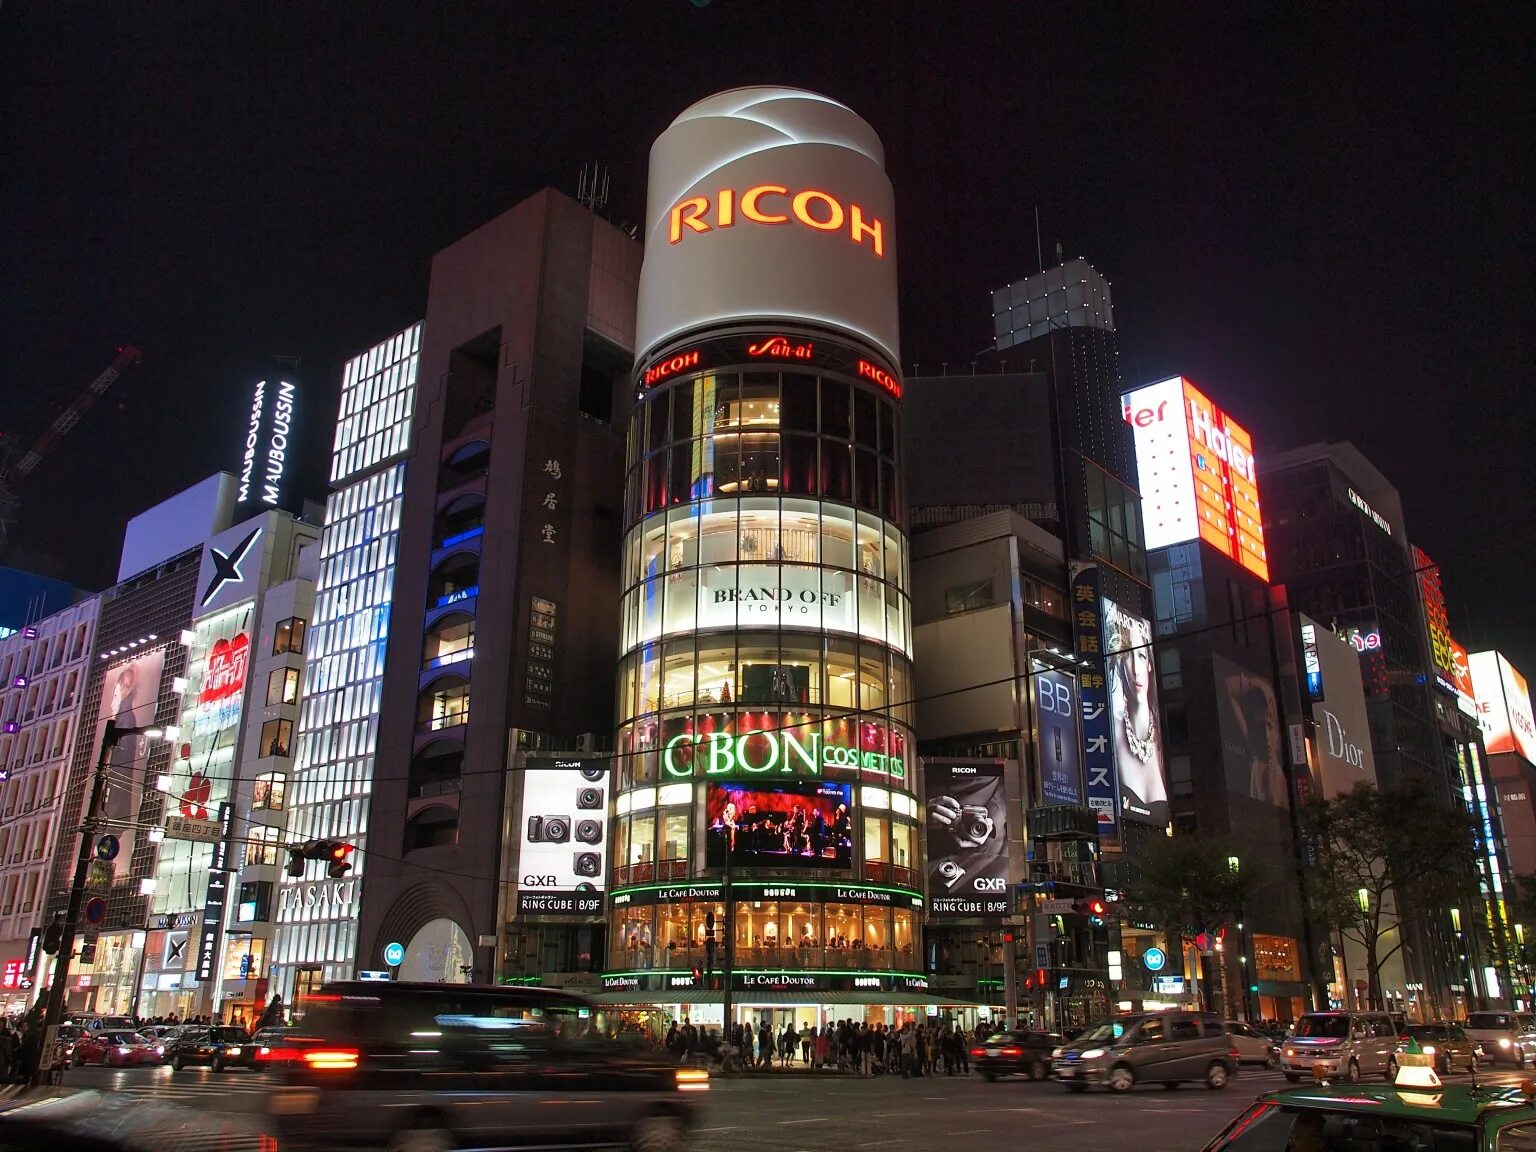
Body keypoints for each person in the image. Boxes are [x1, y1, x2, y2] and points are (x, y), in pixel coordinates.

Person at [1104, 602, 1168, 825]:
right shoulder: (1110, 727)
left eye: (1141, 656)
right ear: (1120, 662)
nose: (1136, 668)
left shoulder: (1161, 733)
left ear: (1150, 664)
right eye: (1128, 656)